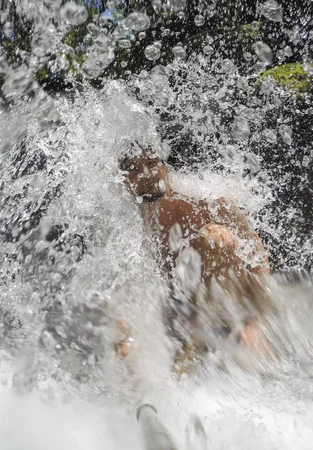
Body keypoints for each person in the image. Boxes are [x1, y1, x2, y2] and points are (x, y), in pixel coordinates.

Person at [115, 144, 275, 374]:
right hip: (181, 304)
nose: (145, 174)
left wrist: (254, 321)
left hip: (227, 302)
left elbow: (257, 257)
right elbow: (123, 287)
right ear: (124, 180)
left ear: (165, 168)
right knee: (122, 333)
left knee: (215, 237)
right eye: (133, 168)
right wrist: (126, 335)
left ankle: (193, 351)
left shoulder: (202, 200)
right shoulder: (125, 222)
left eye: (151, 164)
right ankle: (141, 398)